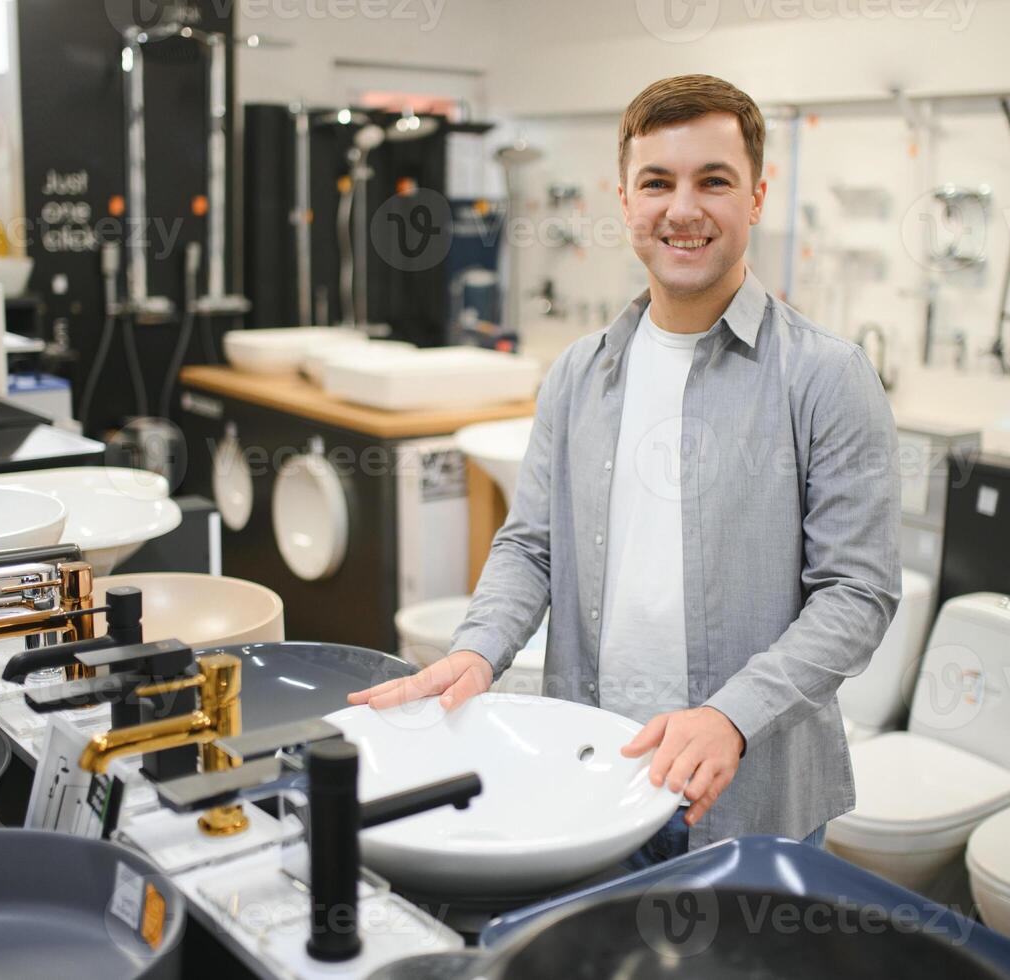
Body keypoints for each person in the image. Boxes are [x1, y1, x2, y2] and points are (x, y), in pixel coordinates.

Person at [349, 74, 901, 863]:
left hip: (750, 792)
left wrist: (731, 716)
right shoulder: (579, 374)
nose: (682, 208)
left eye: (713, 180)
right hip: (593, 770)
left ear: (755, 197)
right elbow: (529, 546)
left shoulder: (823, 377)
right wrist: (476, 650)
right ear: (624, 200)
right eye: (657, 182)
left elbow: (857, 595)